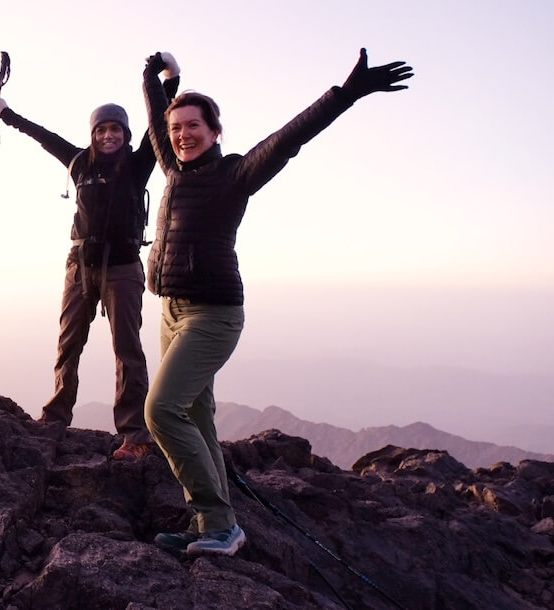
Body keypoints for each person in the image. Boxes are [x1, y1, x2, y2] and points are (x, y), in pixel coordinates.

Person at [140, 48, 413, 555]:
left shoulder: (235, 175)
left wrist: (346, 93)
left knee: (160, 411)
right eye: (177, 128)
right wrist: (156, 77)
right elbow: (156, 118)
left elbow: (290, 138)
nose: (182, 134)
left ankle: (220, 524)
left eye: (194, 126)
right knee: (196, 418)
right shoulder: (172, 169)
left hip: (212, 315)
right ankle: (210, 525)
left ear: (215, 132)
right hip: (169, 311)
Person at [0, 61, 182, 460]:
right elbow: (42, 135)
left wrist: (171, 82)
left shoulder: (139, 163)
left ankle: (134, 434)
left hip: (124, 267)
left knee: (127, 349)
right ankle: (56, 416)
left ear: (125, 136)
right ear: (92, 135)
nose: (108, 135)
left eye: (115, 130)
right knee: (68, 342)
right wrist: (5, 113)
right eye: (101, 130)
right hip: (79, 265)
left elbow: (161, 124)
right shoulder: (78, 162)